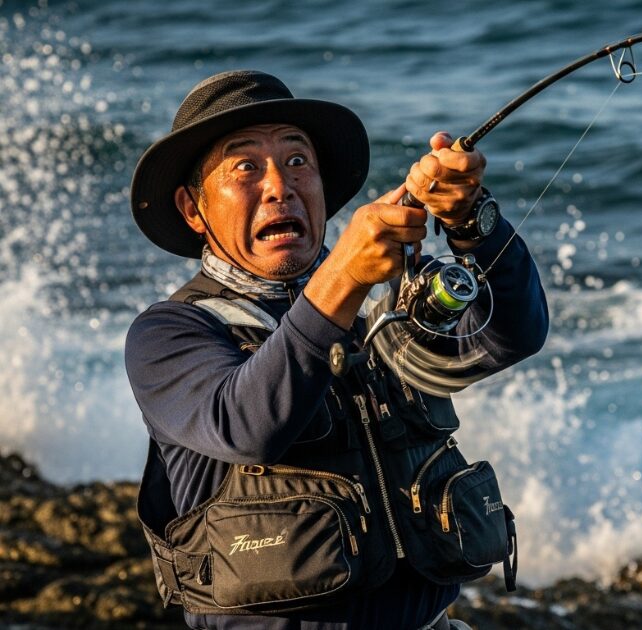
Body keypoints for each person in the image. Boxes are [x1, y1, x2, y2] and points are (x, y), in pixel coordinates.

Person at [124, 70, 548, 630]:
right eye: (246, 166)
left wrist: (472, 221)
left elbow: (511, 334)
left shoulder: (384, 293)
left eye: (298, 161)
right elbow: (247, 425)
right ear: (192, 208)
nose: (280, 186)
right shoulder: (168, 335)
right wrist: (344, 277)